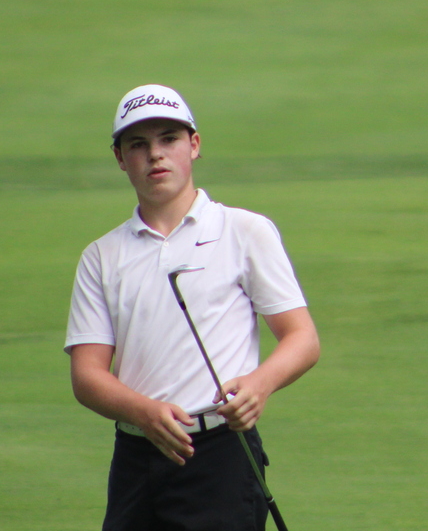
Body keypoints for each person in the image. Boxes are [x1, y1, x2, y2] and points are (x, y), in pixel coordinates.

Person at [66, 85, 320, 531]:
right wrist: (143, 412)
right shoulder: (101, 256)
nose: (155, 155)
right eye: (138, 145)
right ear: (120, 158)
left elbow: (302, 338)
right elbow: (87, 377)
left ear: (194, 145)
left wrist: (259, 385)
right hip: (136, 456)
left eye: (169, 139)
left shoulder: (243, 231)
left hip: (220, 454)